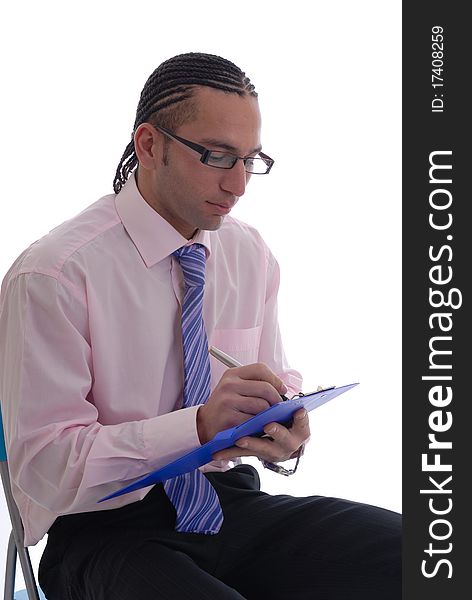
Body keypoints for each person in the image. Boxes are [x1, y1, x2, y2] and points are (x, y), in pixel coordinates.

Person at [0, 52, 401, 599]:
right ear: (149, 145)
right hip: (105, 530)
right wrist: (198, 427)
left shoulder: (247, 253)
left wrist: (281, 424)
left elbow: (276, 376)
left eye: (250, 160)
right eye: (216, 156)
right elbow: (47, 468)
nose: (238, 184)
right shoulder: (55, 275)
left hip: (230, 503)